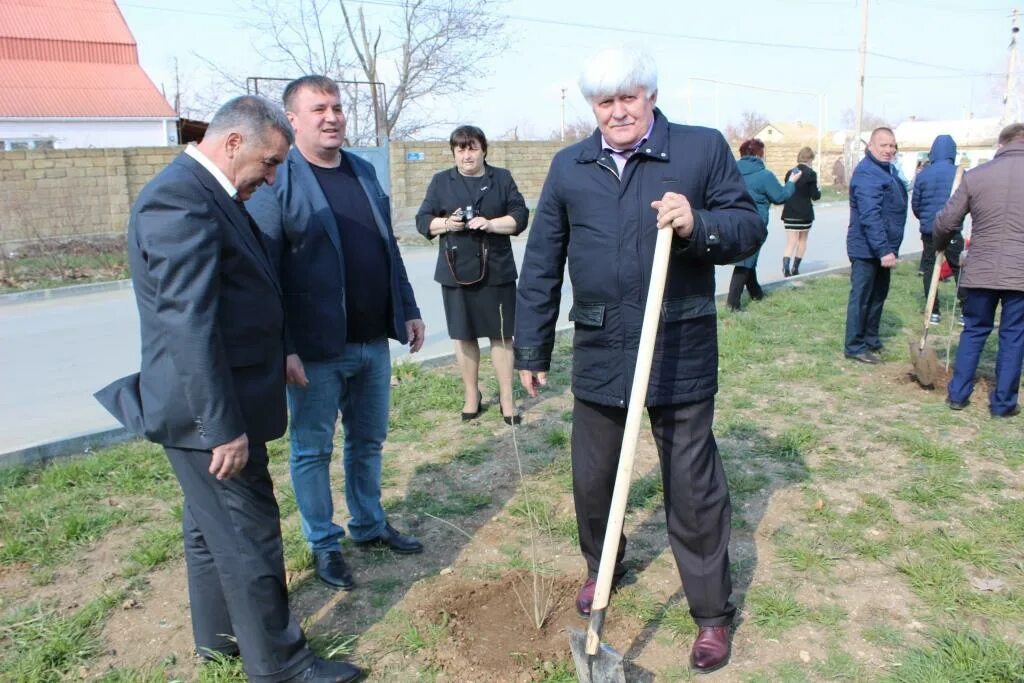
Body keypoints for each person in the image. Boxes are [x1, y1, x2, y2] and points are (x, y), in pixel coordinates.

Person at [94, 96, 363, 683]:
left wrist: (280, 349)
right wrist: (223, 428)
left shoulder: (213, 192)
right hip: (209, 415)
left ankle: (218, 639)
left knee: (208, 526)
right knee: (249, 536)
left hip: (220, 398)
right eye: (269, 164)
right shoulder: (179, 200)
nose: (271, 179)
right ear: (234, 143)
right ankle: (282, 666)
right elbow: (189, 324)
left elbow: (244, 292)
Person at [514, 46, 765, 674]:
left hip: (677, 344)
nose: (618, 111)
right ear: (592, 107)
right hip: (601, 347)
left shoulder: (700, 149)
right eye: (606, 101)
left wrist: (696, 223)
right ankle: (603, 569)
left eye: (629, 97)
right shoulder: (570, 166)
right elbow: (543, 258)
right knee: (593, 479)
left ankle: (711, 614)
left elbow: (747, 226)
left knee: (693, 486)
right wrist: (532, 345)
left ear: (649, 96)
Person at [247, 76, 426, 592]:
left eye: (338, 107)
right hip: (314, 351)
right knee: (312, 450)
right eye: (319, 109)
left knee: (368, 441)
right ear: (293, 121)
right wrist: (283, 347)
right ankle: (324, 544)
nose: (332, 117)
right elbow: (265, 271)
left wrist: (407, 308)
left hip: (372, 342)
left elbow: (386, 248)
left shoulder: (364, 171)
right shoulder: (279, 179)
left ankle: (368, 524)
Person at [415, 125, 529, 424]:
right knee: (463, 335)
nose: (467, 155)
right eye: (461, 149)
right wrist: (446, 224)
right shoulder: (441, 182)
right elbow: (423, 220)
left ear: (483, 149)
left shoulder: (501, 178)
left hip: (497, 271)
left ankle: (507, 397)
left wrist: (490, 224)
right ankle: (471, 394)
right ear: (454, 153)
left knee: (502, 335)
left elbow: (520, 216)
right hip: (456, 272)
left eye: (472, 148)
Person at [933, 122, 1024, 418]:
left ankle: (958, 395)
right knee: (1013, 336)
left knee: (974, 330)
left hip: (981, 268)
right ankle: (1003, 404)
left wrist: (941, 243)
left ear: (1002, 143)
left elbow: (947, 221)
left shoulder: (977, 176)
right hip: (1020, 273)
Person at [843, 127, 908, 364]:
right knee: (862, 297)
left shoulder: (885, 171)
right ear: (870, 146)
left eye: (892, 146)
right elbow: (871, 215)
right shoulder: (868, 174)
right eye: (884, 145)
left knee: (878, 295)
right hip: (867, 249)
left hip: (882, 248)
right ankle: (855, 345)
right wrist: (883, 249)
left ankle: (870, 339)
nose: (889, 150)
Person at [726, 138, 798, 310]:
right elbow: (780, 197)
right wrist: (791, 183)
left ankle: (756, 293)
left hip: (732, 219)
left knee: (749, 256)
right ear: (760, 155)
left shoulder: (731, 172)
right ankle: (732, 303)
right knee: (745, 261)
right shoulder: (764, 175)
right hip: (754, 222)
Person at [911, 134, 963, 324]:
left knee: (930, 268)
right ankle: (965, 311)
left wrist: (925, 219)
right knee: (959, 268)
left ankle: (933, 312)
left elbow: (916, 204)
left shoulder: (923, 174)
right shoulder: (960, 173)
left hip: (929, 230)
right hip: (952, 229)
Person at [781, 146, 821, 276]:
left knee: (791, 241)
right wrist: (819, 191)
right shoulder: (811, 174)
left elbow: (787, 189)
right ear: (810, 159)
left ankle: (785, 267)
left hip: (789, 212)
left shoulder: (790, 172)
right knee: (802, 241)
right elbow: (814, 196)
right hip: (804, 213)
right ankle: (795, 268)